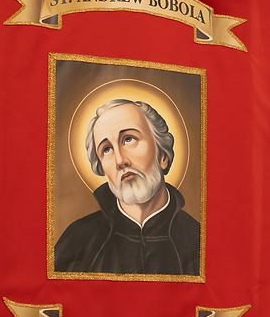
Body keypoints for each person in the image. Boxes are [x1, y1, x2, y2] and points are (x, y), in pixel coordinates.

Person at [54, 98, 200, 275]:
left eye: (129, 139)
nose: (120, 161)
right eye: (106, 149)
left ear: (163, 156)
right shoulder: (78, 241)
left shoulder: (197, 240)